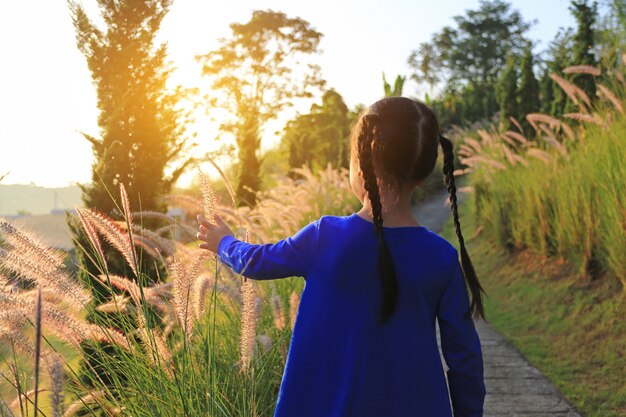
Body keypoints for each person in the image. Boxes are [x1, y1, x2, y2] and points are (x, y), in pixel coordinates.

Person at [197, 96, 487, 417]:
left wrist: (223, 242)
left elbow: (256, 261)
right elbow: (465, 358)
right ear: (423, 172)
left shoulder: (325, 236)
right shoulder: (441, 257)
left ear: (359, 167)